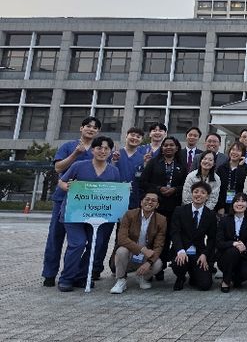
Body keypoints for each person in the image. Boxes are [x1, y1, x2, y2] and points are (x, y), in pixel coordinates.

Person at [57, 135, 122, 292]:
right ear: (92, 150)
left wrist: (124, 192)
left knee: (96, 244)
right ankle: (66, 278)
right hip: (74, 214)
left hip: (99, 215)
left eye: (106, 148)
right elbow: (61, 181)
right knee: (78, 243)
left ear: (110, 152)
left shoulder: (114, 171)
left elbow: (115, 192)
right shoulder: (78, 166)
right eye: (99, 148)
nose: (102, 151)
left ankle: (82, 277)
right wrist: (66, 187)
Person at [42, 115, 101, 287]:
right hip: (63, 199)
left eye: (95, 127)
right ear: (81, 128)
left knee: (83, 241)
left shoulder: (98, 149)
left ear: (98, 131)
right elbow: (58, 168)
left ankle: (77, 275)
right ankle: (49, 273)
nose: (91, 129)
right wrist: (76, 153)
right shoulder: (68, 146)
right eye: (88, 126)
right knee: (56, 237)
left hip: (87, 203)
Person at [139, 136, 187, 278]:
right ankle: (148, 265)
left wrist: (175, 190)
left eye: (172, 145)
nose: (168, 147)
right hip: (155, 207)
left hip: (173, 208)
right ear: (162, 148)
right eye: (165, 145)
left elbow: (186, 186)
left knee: (166, 238)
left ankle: (160, 267)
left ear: (177, 148)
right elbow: (143, 182)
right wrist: (159, 189)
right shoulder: (154, 163)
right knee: (152, 237)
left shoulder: (182, 165)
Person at [110, 192, 167, 294]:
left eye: (153, 200)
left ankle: (141, 277)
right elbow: (122, 239)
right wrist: (142, 249)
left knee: (158, 264)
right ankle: (121, 280)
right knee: (121, 251)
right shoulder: (129, 214)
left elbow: (159, 246)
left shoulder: (161, 220)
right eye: (147, 199)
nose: (150, 202)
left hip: (145, 257)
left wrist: (149, 263)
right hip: (130, 254)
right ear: (141, 202)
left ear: (157, 205)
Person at [169, 181, 217, 291]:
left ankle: (193, 274)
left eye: (203, 193)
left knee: (205, 285)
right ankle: (181, 277)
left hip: (199, 252)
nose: (198, 195)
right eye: (196, 192)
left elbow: (212, 238)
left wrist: (205, 254)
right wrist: (180, 250)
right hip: (182, 250)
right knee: (179, 263)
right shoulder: (180, 210)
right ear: (191, 194)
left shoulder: (210, 215)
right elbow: (175, 232)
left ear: (207, 197)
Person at [215, 193, 247, 292]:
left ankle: (236, 278)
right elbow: (219, 243)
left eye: (243, 201)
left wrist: (244, 247)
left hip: (243, 257)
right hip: (225, 257)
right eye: (237, 201)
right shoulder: (224, 220)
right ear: (233, 204)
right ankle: (226, 281)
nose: (240, 204)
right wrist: (233, 244)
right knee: (232, 251)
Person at [114, 127, 146, 210]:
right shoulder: (115, 155)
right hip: (114, 196)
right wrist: (113, 161)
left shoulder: (143, 158)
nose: (135, 138)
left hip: (134, 198)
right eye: (132, 135)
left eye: (138, 137)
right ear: (126, 136)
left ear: (141, 140)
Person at [215, 140, 247, 216]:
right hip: (223, 206)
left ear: (243, 154)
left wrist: (240, 167)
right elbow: (217, 188)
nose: (235, 152)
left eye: (238, 150)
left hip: (240, 206)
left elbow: (244, 187)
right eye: (233, 149)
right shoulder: (222, 168)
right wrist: (220, 206)